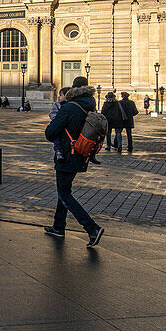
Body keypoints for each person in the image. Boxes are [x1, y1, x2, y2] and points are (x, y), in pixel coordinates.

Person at [43, 77, 104, 247]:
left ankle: (92, 228)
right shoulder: (90, 106)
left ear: (72, 90)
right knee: (64, 190)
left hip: (67, 155)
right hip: (81, 154)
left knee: (64, 194)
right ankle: (58, 226)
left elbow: (50, 132)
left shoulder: (69, 108)